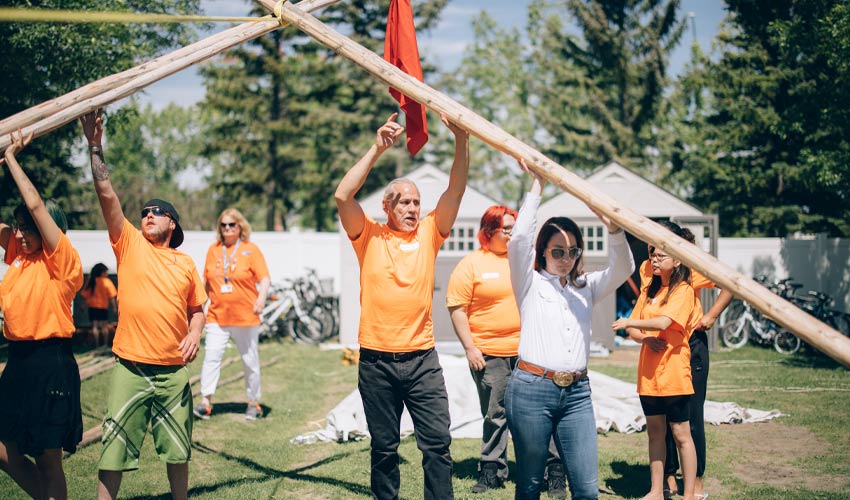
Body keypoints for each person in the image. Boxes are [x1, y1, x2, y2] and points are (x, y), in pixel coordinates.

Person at [335, 112, 468, 500]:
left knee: (438, 444)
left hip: (421, 360)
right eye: (405, 202)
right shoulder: (368, 235)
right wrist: (377, 148)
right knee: (385, 449)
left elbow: (455, 191)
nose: (413, 208)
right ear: (387, 206)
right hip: (376, 361)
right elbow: (343, 195)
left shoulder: (429, 233)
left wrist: (461, 141)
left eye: (416, 202)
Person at [81, 109, 207, 500]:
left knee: (177, 448)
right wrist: (95, 145)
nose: (147, 215)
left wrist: (194, 334)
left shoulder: (185, 263)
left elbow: (198, 308)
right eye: (144, 213)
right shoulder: (129, 244)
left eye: (156, 212)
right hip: (131, 366)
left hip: (172, 372)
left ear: (172, 224)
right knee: (114, 446)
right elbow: (107, 193)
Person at [507, 159, 634, 500]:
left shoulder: (586, 286)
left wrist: (614, 229)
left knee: (587, 490)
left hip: (577, 393)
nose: (565, 257)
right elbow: (518, 239)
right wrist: (537, 187)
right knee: (531, 484)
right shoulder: (529, 281)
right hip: (531, 389)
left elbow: (623, 267)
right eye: (558, 251)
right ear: (543, 252)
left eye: (573, 251)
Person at [446, 204, 566, 497]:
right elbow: (457, 309)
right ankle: (491, 472)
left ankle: (554, 473)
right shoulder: (471, 264)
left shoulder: (527, 260)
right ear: (489, 231)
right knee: (495, 414)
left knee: (541, 413)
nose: (513, 233)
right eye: (507, 228)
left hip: (530, 352)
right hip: (490, 353)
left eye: (515, 228)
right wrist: (471, 348)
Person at [0, 130, 84, 500]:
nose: (18, 233)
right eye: (16, 226)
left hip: (50, 360)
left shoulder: (62, 261)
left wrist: (12, 157)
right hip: (18, 361)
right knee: (4, 448)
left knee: (48, 458)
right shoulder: (19, 255)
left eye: (27, 228)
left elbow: (36, 205)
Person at [633, 223, 733, 499]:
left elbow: (730, 282)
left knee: (689, 417)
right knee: (660, 421)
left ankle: (696, 481)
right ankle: (668, 478)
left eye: (660, 248)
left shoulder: (691, 267)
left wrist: (710, 316)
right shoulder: (646, 268)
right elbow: (646, 303)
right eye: (651, 248)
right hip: (656, 347)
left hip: (688, 344)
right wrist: (641, 333)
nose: (654, 254)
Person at [612, 224, 699, 500]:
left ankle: (688, 495)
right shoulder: (648, 289)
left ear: (677, 260)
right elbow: (635, 331)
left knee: (681, 434)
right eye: (653, 254)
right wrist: (644, 338)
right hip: (649, 376)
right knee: (655, 435)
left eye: (662, 254)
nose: (655, 258)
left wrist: (630, 321)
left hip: (674, 374)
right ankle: (655, 491)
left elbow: (663, 322)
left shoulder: (683, 290)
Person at [194, 208, 271, 421]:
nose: (227, 229)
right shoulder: (214, 250)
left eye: (231, 225)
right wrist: (198, 309)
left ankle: (253, 402)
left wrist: (261, 299)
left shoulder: (250, 249)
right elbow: (207, 283)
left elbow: (264, 278)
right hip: (217, 316)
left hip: (245, 317)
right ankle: (205, 402)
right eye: (223, 225)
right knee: (211, 358)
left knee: (249, 360)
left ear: (240, 227)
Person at [80, 263, 118, 346]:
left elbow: (86, 296)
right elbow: (112, 296)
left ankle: (96, 344)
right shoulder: (107, 282)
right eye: (105, 272)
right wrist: (115, 307)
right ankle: (104, 344)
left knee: (95, 327)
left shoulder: (91, 281)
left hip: (92, 307)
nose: (107, 274)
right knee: (104, 326)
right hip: (103, 307)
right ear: (102, 272)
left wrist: (83, 306)